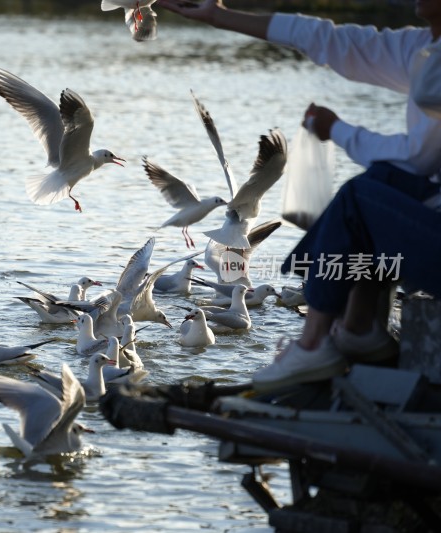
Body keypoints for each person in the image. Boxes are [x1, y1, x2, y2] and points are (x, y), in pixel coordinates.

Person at [156, 0, 441, 391]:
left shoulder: (433, 57)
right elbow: (332, 40)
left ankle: (314, 341)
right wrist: (217, 15)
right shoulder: (425, 48)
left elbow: (421, 156)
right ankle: (357, 326)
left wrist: (336, 129)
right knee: (381, 180)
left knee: (360, 197)